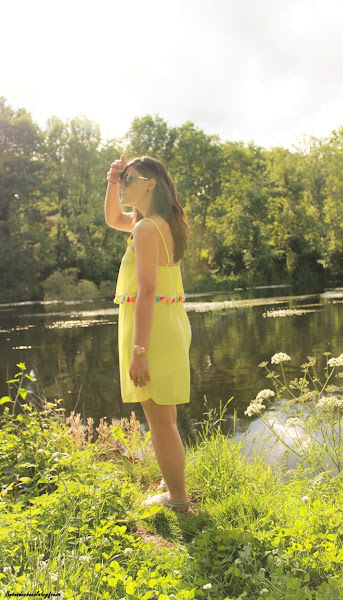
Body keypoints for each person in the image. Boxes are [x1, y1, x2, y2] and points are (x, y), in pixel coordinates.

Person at [105, 154, 192, 513]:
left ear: (150, 184)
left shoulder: (144, 229)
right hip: (169, 324)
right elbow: (113, 219)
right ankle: (174, 486)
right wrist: (111, 182)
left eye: (128, 179)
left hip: (151, 332)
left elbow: (146, 291)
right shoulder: (162, 223)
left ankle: (177, 500)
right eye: (121, 180)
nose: (122, 186)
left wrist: (139, 351)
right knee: (165, 419)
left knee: (159, 422)